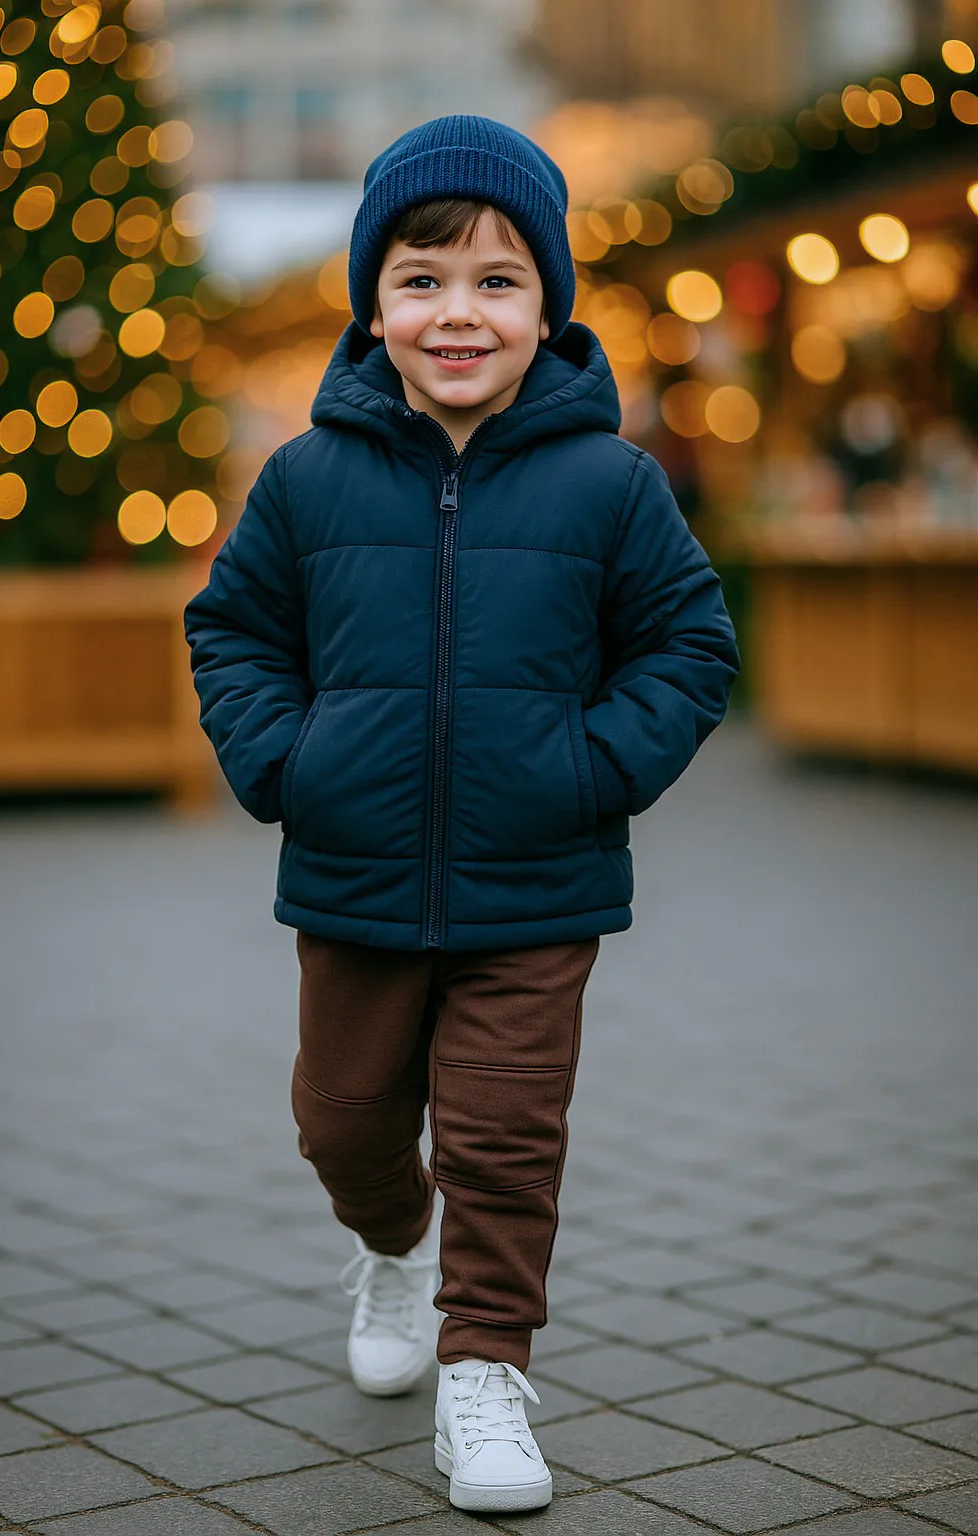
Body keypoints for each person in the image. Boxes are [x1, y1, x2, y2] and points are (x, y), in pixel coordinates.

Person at [184, 114, 739, 1514]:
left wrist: (593, 767)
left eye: (498, 280)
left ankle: (485, 1372)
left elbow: (690, 642)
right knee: (345, 1120)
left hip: (536, 880)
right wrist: (287, 762)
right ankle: (391, 1241)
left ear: (549, 306)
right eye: (422, 279)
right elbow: (233, 631)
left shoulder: (610, 483)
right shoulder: (307, 479)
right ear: (373, 303)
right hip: (355, 871)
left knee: (504, 1134)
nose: (457, 313)